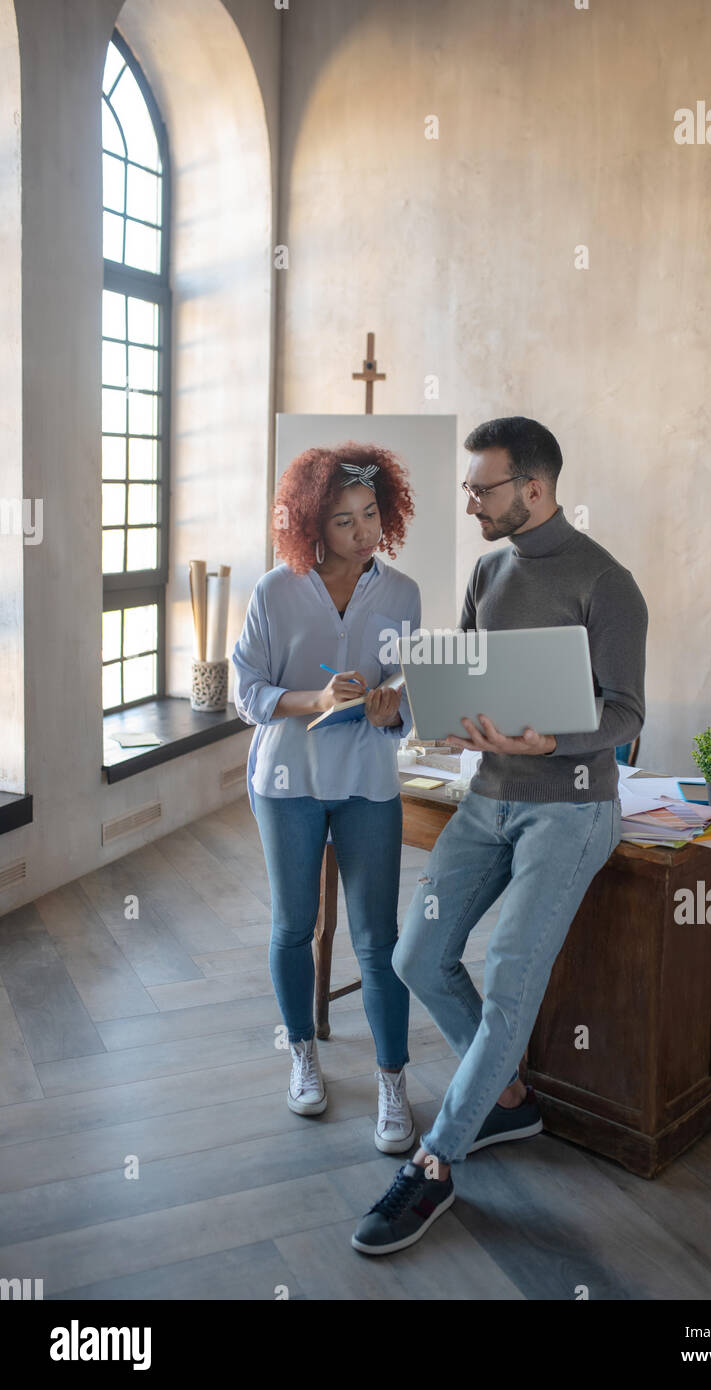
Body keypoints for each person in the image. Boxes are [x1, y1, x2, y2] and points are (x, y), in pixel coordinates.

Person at [352, 416, 648, 1255]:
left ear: (535, 487)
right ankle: (509, 1101)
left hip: (574, 806)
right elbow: (469, 676)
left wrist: (550, 742)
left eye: (482, 488)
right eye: (469, 487)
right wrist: (436, 715)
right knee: (416, 954)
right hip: (489, 797)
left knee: (511, 980)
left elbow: (626, 713)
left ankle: (436, 1162)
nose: (471, 501)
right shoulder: (488, 571)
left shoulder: (608, 584)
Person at [232, 443, 421, 1154]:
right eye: (344, 520)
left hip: (369, 779)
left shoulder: (402, 594)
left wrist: (391, 706)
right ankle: (303, 1054)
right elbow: (246, 690)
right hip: (288, 781)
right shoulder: (274, 592)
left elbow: (409, 685)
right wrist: (311, 697)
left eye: (371, 514)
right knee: (294, 926)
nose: (363, 532)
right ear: (312, 524)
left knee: (379, 941)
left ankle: (392, 1080)